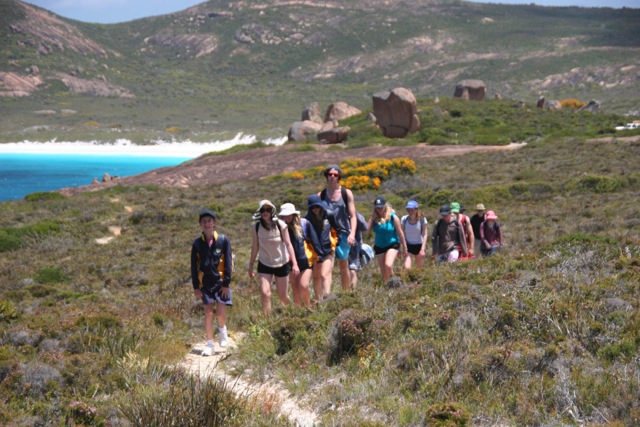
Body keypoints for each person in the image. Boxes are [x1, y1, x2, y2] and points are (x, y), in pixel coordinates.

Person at [191, 209, 232, 356]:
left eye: (209, 221)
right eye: (204, 222)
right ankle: (209, 344)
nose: (207, 224)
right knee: (208, 313)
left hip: (221, 283)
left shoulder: (223, 240)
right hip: (205, 284)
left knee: (220, 314)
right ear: (200, 224)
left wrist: (226, 284)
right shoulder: (197, 244)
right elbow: (193, 267)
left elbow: (228, 262)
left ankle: (222, 330)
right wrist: (196, 287)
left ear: (214, 223)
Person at [248, 200, 299, 315]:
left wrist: (294, 263)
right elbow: (255, 246)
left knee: (283, 297)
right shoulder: (256, 227)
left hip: (281, 263)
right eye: (263, 210)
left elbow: (288, 244)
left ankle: (290, 313)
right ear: (259, 212)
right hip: (264, 264)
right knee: (265, 293)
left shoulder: (281, 225)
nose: (265, 212)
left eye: (268, 210)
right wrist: (251, 265)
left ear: (272, 211)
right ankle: (267, 320)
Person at [319, 164, 357, 291]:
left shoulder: (346, 193)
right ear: (326, 176)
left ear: (339, 177)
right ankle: (327, 294)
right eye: (330, 174)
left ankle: (346, 293)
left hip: (343, 233)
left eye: (335, 175)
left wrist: (352, 234)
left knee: (343, 264)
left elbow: (353, 215)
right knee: (328, 265)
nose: (332, 177)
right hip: (327, 234)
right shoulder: (321, 195)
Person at [278, 203, 313, 309]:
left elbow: (313, 241)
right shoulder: (281, 228)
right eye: (285, 215)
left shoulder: (303, 224)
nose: (287, 217)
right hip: (289, 262)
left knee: (304, 285)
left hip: (305, 261)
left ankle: (308, 307)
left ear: (293, 214)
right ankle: (298, 310)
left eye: (289, 214)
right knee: (295, 287)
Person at [305, 194, 337, 303]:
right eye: (313, 207)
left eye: (317, 207)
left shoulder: (328, 215)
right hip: (314, 252)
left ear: (320, 206)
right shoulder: (306, 220)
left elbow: (337, 229)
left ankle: (327, 297)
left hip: (328, 250)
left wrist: (337, 241)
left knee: (324, 274)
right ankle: (319, 300)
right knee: (316, 277)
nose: (315, 209)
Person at [367, 196, 407, 282]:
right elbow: (366, 232)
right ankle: (388, 286)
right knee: (384, 271)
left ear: (385, 206)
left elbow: (400, 233)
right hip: (379, 246)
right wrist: (371, 219)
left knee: (388, 265)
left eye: (381, 207)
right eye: (377, 208)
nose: (379, 209)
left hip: (392, 244)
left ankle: (394, 283)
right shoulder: (374, 219)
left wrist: (404, 248)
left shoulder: (393, 217)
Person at [401, 200, 428, 270]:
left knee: (418, 268)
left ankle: (417, 281)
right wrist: (403, 247)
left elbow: (425, 234)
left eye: (412, 210)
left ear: (416, 210)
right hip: (408, 246)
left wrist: (422, 249)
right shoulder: (404, 219)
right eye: (408, 210)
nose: (410, 212)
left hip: (419, 245)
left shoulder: (422, 220)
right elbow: (402, 234)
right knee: (407, 267)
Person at [347, 212, 369, 288]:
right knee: (346, 271)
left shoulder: (357, 216)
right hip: (343, 247)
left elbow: (365, 227)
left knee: (352, 271)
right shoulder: (340, 215)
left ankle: (351, 291)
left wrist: (356, 216)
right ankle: (346, 290)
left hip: (355, 249)